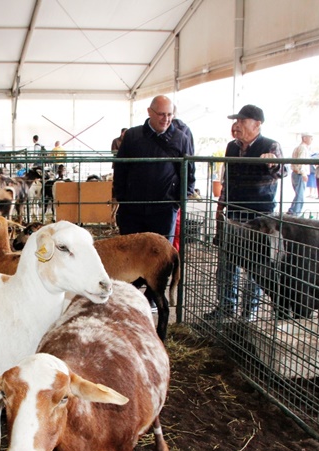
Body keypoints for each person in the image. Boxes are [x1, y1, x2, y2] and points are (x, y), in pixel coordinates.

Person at [205, 104, 286, 321]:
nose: (237, 125)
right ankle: (226, 306)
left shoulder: (270, 145)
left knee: (255, 266)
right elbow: (227, 180)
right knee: (227, 263)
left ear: (257, 124)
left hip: (260, 216)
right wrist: (221, 206)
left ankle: (249, 311)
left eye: (242, 121)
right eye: (237, 121)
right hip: (234, 212)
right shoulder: (232, 147)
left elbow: (282, 171)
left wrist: (272, 163)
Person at [112, 94, 195, 243]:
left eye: (169, 114)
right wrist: (123, 199)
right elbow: (120, 169)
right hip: (133, 209)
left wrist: (177, 202)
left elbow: (189, 173)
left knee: (161, 252)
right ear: (149, 112)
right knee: (132, 250)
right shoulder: (132, 136)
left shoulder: (181, 138)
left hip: (164, 210)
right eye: (161, 114)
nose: (166, 119)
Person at [289, 133, 313, 215]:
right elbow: (301, 162)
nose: (312, 140)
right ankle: (295, 213)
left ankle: (292, 211)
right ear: (304, 138)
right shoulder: (302, 148)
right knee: (300, 196)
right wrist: (304, 174)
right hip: (299, 174)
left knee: (298, 195)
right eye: (310, 138)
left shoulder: (298, 148)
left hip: (296, 173)